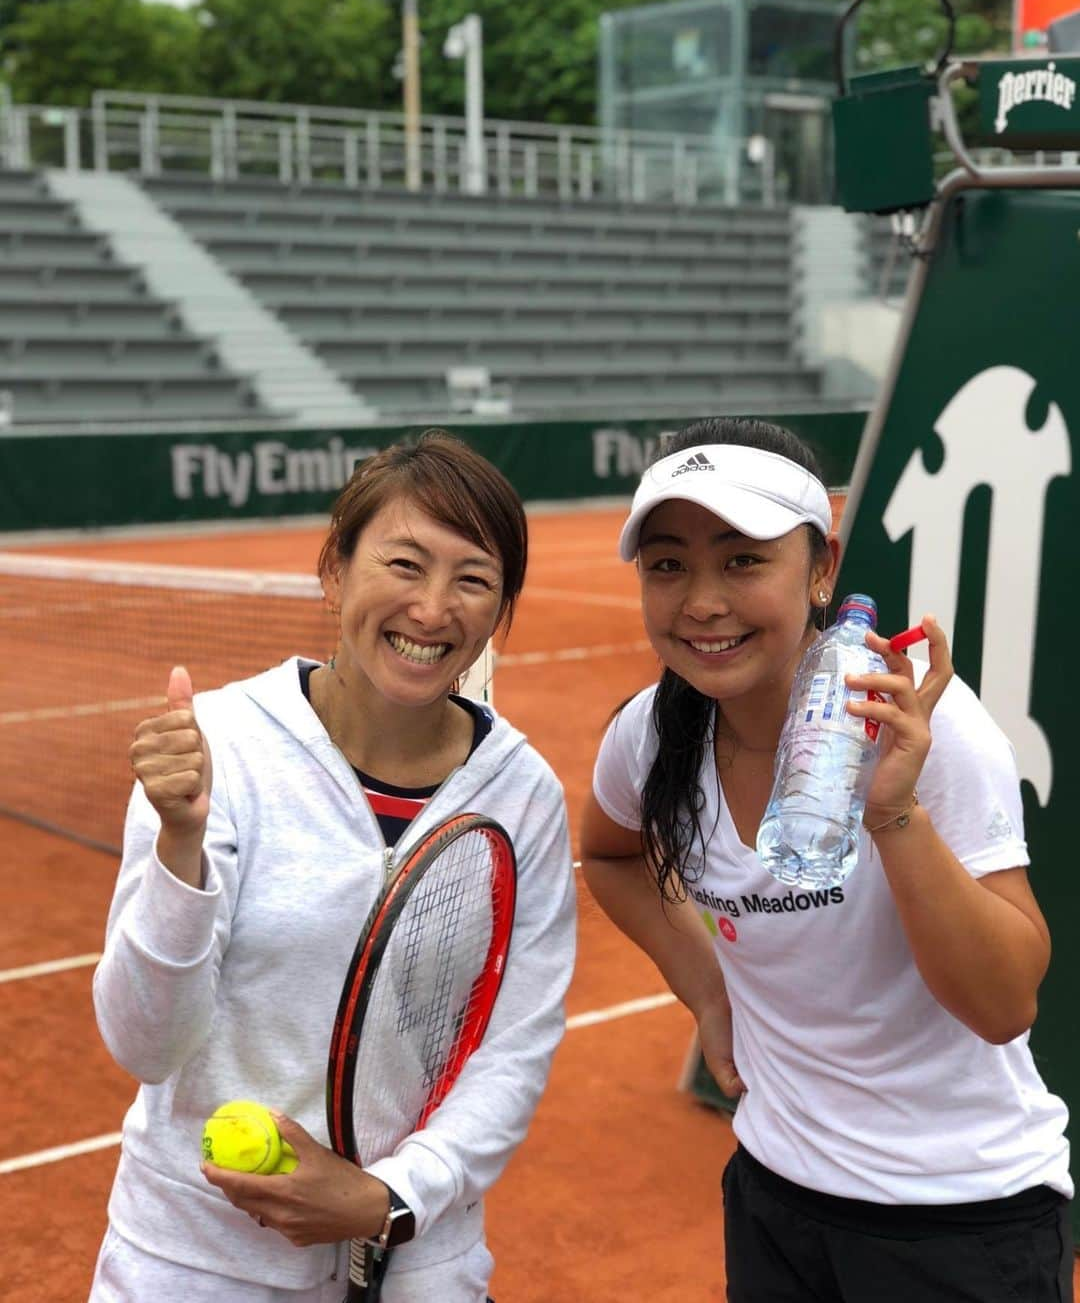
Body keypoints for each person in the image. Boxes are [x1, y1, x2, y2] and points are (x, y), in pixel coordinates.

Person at [581, 416, 1073, 1302]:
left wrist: (893, 812)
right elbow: (609, 853)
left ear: (821, 569)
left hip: (958, 1218)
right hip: (774, 1194)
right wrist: (709, 990)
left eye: (742, 559)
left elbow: (1005, 1005)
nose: (700, 600)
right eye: (667, 564)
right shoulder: (652, 734)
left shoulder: (925, 728)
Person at [90, 430, 576, 1303]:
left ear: (499, 610)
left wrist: (386, 1200)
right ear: (335, 572)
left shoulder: (525, 797)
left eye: (473, 578)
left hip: (417, 1261)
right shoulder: (217, 750)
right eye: (404, 563)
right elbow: (145, 1046)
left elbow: (514, 1044)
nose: (432, 608)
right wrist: (179, 848)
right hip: (196, 1262)